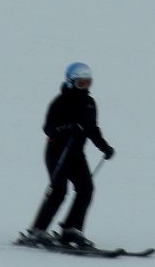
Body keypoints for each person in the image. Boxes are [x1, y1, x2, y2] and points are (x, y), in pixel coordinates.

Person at [22, 62, 115, 248]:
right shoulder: (60, 102)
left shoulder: (89, 103)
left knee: (86, 189)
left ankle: (71, 229)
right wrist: (66, 128)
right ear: (71, 82)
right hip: (57, 151)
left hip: (76, 153)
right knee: (59, 190)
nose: (85, 87)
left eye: (88, 83)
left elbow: (92, 129)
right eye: (81, 83)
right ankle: (38, 230)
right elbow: (48, 128)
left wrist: (104, 147)